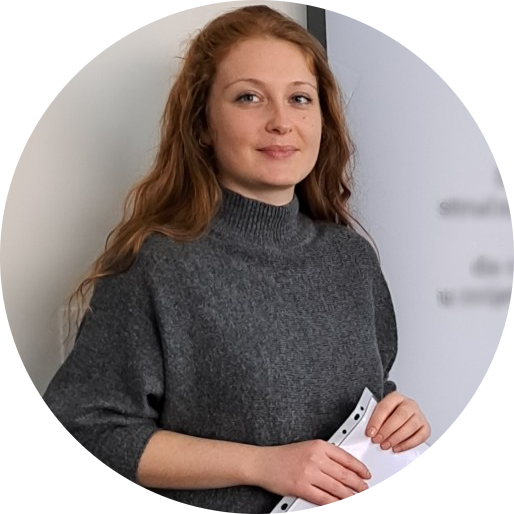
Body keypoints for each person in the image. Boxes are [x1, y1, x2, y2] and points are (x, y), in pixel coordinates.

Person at [43, 4, 431, 513]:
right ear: (202, 124)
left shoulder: (351, 260)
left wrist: (397, 419)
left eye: (299, 98)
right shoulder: (158, 267)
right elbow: (86, 427)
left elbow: (369, 398)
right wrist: (261, 464)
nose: (281, 122)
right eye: (249, 97)